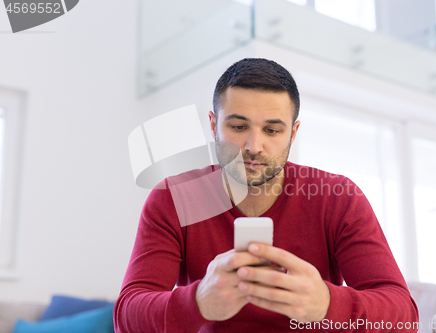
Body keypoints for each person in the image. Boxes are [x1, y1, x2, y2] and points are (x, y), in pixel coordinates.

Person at [113, 58, 419, 332]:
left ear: (293, 134)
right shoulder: (174, 198)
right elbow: (127, 318)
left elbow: (404, 318)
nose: (253, 146)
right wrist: (199, 302)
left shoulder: (338, 197)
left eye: (272, 130)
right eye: (237, 125)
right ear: (213, 125)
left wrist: (327, 304)